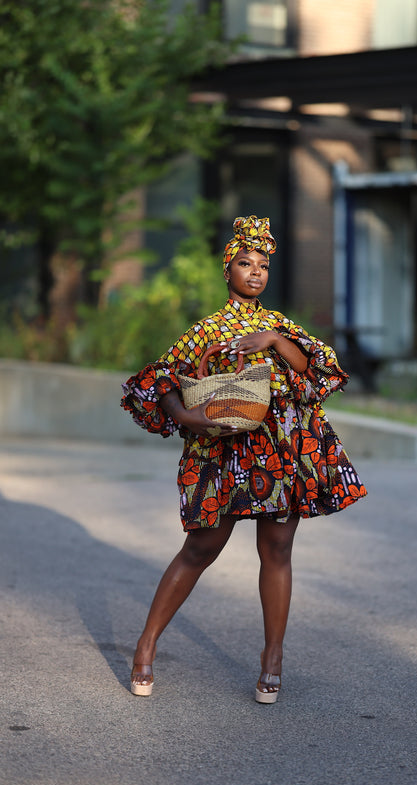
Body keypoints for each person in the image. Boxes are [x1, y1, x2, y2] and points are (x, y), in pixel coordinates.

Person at [121, 215, 367, 703]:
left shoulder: (279, 326)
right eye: (244, 263)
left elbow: (319, 370)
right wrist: (188, 419)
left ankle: (272, 657)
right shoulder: (205, 330)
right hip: (224, 451)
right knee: (200, 549)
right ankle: (145, 646)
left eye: (262, 265)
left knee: (276, 551)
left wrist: (274, 342)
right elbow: (159, 382)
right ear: (227, 270)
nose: (255, 272)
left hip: (279, 453)